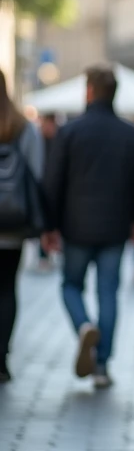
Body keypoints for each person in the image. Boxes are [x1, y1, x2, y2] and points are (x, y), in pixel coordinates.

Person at [41, 65, 134, 390]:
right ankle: (102, 364)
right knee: (108, 292)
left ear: (88, 91)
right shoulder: (131, 134)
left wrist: (49, 225)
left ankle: (82, 326)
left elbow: (53, 182)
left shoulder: (70, 132)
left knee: (71, 285)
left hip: (76, 226)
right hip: (115, 226)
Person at [0, 71, 43, 383]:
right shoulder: (22, 127)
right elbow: (38, 172)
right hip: (12, 225)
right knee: (6, 290)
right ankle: (2, 358)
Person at [35, 114, 59, 272]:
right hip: (41, 189)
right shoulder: (39, 141)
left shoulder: (59, 141)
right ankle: (43, 255)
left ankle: (51, 251)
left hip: (53, 190)